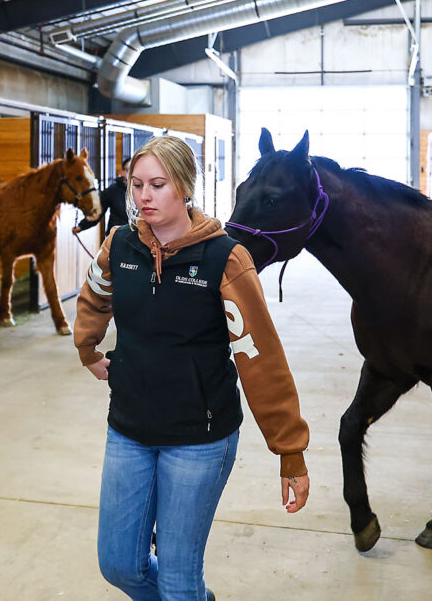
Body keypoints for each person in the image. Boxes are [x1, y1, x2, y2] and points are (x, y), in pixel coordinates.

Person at [73, 136, 310, 601]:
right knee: (120, 564)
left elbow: (261, 360)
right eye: (136, 184)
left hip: (199, 441)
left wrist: (290, 451)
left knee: (179, 580)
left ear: (184, 187)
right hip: (129, 429)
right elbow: (95, 296)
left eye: (158, 184)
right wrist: (89, 351)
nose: (144, 196)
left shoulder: (225, 259)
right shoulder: (119, 246)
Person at [73, 153, 130, 235]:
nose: (131, 173)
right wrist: (81, 226)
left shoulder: (143, 191)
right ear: (122, 172)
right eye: (128, 170)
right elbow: (97, 211)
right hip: (116, 237)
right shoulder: (112, 190)